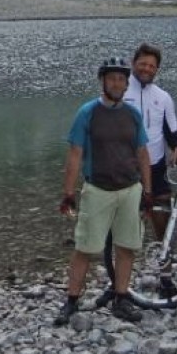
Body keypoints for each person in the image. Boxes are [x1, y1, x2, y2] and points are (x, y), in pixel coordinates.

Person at [55, 56, 153, 326]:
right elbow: (75, 153)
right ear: (103, 81)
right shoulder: (88, 112)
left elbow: (142, 152)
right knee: (85, 247)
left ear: (126, 83)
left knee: (127, 246)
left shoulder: (132, 114)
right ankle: (72, 301)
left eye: (121, 79)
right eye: (112, 78)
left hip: (130, 188)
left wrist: (148, 191)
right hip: (98, 188)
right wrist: (68, 193)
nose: (117, 83)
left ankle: (121, 298)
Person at [97, 42, 177, 306]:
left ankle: (166, 279)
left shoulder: (163, 97)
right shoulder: (119, 92)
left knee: (164, 226)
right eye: (143, 64)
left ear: (157, 69)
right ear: (133, 63)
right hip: (125, 169)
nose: (147, 69)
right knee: (123, 228)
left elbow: (172, 131)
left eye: (152, 66)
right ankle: (115, 284)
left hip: (157, 168)